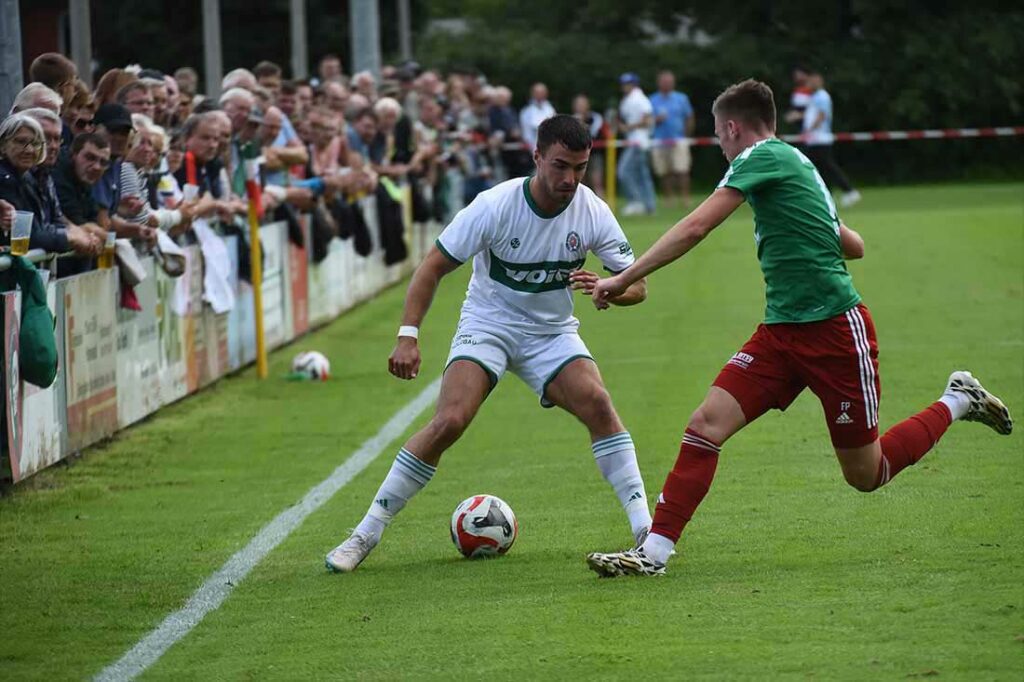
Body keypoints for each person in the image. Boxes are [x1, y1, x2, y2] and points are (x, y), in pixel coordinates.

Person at [584, 79, 1013, 578]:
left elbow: (696, 226)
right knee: (706, 425)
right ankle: (653, 554)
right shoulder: (795, 163)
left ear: (730, 127)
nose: (721, 147)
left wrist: (623, 278)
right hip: (781, 334)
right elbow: (853, 245)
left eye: (719, 136)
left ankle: (958, 399)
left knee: (866, 474)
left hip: (834, 332)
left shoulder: (759, 157)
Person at [325, 114, 653, 573]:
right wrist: (407, 336)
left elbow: (637, 285)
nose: (570, 179)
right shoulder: (494, 205)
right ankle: (365, 534)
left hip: (551, 334)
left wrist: (610, 288)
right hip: (489, 324)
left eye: (580, 168)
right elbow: (431, 267)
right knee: (450, 421)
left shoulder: (592, 210)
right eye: (560, 165)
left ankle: (645, 531)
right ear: (536, 157)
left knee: (599, 403)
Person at [803, 71, 861, 207]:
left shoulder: (821, 96)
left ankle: (849, 191)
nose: (809, 84)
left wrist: (809, 129)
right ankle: (828, 197)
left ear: (819, 81)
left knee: (825, 167)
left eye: (811, 81)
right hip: (815, 139)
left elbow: (822, 115)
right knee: (822, 168)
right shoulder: (815, 96)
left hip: (819, 138)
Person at [649, 70, 695, 208]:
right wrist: (656, 120)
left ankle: (686, 198)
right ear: (659, 83)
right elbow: (646, 120)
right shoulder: (652, 100)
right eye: (664, 81)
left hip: (678, 139)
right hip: (659, 140)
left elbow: (689, 117)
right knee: (664, 172)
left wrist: (687, 136)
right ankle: (669, 199)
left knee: (682, 169)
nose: (667, 84)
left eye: (669, 81)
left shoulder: (681, 98)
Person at [617, 73, 656, 216]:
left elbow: (648, 120)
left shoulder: (639, 99)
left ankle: (636, 202)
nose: (624, 87)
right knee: (641, 175)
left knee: (624, 172)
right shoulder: (628, 99)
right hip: (636, 141)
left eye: (627, 84)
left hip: (638, 141)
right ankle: (649, 205)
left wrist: (628, 127)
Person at [572, 94, 604, 196]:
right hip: (578, 155)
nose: (580, 107)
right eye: (578, 104)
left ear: (588, 105)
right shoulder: (571, 120)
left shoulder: (596, 118)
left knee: (597, 182)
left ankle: (602, 209)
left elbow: (594, 134)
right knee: (580, 183)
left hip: (594, 153)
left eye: (583, 104)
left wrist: (581, 124)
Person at [519, 82, 555, 150]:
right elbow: (526, 129)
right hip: (531, 145)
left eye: (542, 92)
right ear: (532, 94)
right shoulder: (526, 111)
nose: (540, 94)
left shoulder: (551, 109)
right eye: (537, 92)